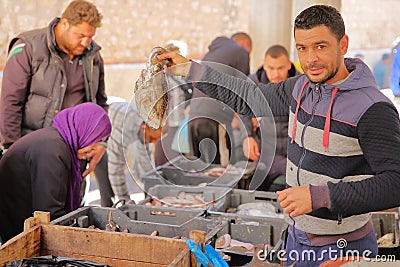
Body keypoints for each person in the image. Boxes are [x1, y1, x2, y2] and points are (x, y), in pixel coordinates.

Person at [158, 5, 400, 266]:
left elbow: (395, 183)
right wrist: (192, 70)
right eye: (303, 48)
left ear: (343, 44)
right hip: (296, 241)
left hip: (344, 249)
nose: (310, 59)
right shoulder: (300, 87)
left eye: (321, 46)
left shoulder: (373, 108)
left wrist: (319, 196)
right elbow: (248, 96)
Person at [0, 0, 114, 207]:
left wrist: (101, 142)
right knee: (33, 215)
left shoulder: (94, 56)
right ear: (63, 24)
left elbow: (100, 103)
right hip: (35, 153)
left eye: (91, 37)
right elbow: (10, 102)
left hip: (76, 155)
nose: (86, 42)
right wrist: (11, 149)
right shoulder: (28, 47)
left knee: (71, 212)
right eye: (80, 35)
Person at [0, 103, 111, 243]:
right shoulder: (53, 150)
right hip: (15, 234)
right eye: (97, 140)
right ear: (84, 128)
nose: (96, 149)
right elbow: (50, 213)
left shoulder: (57, 141)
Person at [188, 32, 252, 166]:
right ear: (246, 44)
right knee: (221, 171)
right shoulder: (241, 52)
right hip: (215, 119)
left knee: (202, 171)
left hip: (194, 119)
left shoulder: (212, 53)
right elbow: (243, 92)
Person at [244, 45, 300, 191]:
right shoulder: (253, 82)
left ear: (289, 65)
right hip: (266, 150)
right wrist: (248, 136)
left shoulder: (302, 83)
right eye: (271, 68)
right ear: (264, 66)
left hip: (294, 151)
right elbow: (242, 108)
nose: (275, 74)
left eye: (280, 68)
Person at [107, 101, 162, 202]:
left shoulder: (147, 125)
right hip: (105, 124)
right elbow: (116, 167)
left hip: (120, 110)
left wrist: (152, 193)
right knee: (107, 191)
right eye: (151, 138)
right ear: (144, 128)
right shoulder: (124, 127)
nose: (153, 142)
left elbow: (145, 162)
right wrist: (126, 200)